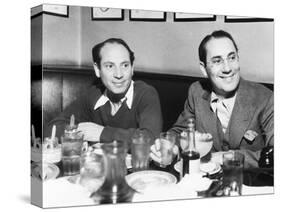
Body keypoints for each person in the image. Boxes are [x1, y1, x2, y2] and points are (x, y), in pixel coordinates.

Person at [151, 30, 273, 168]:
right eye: (217, 61)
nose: (227, 68)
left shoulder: (265, 98)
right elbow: (182, 132)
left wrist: (223, 158)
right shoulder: (196, 92)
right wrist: (170, 148)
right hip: (204, 182)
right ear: (204, 69)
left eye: (232, 58)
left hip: (249, 184)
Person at [44, 38, 162, 145]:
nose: (119, 74)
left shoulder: (146, 94)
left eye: (125, 65)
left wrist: (101, 133)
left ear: (132, 68)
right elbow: (50, 130)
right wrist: (80, 130)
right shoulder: (93, 94)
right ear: (97, 70)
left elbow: (151, 138)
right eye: (110, 66)